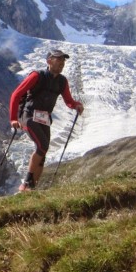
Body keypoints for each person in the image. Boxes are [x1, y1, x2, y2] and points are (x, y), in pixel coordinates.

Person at [9, 49, 84, 192]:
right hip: (29, 116)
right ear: (49, 61)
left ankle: (31, 191)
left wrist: (76, 105)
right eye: (58, 59)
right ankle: (26, 183)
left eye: (63, 60)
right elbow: (16, 95)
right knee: (42, 146)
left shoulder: (62, 81)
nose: (62, 63)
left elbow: (68, 100)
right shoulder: (37, 76)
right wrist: (13, 118)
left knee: (42, 153)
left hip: (44, 119)